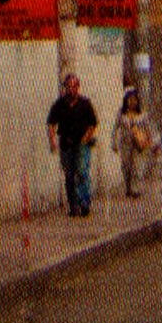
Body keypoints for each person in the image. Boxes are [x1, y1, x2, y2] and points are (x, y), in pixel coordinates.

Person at [47, 69, 100, 215]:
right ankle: (73, 205)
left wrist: (85, 138)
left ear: (78, 87)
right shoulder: (59, 104)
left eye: (74, 86)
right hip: (66, 143)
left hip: (82, 143)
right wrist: (52, 141)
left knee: (82, 172)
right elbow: (51, 123)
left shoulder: (85, 103)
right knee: (69, 175)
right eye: (68, 86)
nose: (71, 89)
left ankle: (84, 203)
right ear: (65, 88)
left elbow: (93, 123)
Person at [114, 81, 160, 199]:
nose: (132, 102)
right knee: (126, 166)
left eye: (134, 99)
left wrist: (153, 142)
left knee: (136, 166)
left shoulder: (142, 114)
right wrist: (114, 142)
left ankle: (134, 189)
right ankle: (128, 187)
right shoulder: (121, 114)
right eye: (130, 99)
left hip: (138, 144)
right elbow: (115, 128)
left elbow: (149, 128)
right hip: (125, 143)